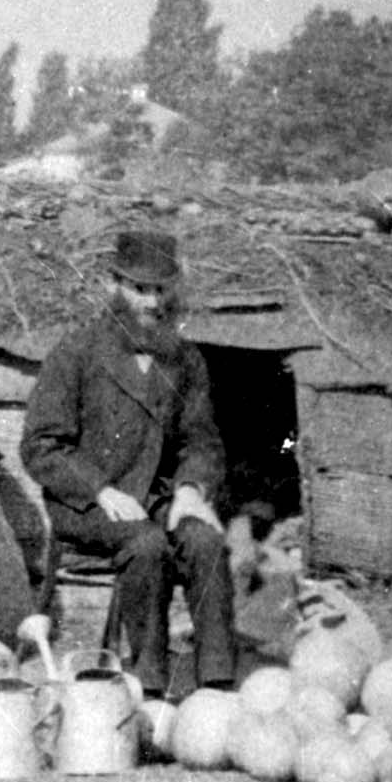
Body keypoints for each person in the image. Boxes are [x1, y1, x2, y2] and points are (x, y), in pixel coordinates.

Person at [21, 228, 238, 698]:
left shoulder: (185, 361)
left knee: (205, 542)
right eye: (140, 289)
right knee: (148, 546)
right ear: (113, 285)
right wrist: (101, 490)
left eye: (161, 290)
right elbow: (42, 446)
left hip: (156, 496)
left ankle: (218, 687)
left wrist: (189, 491)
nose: (152, 303)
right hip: (86, 502)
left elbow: (201, 441)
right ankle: (149, 685)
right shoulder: (76, 353)